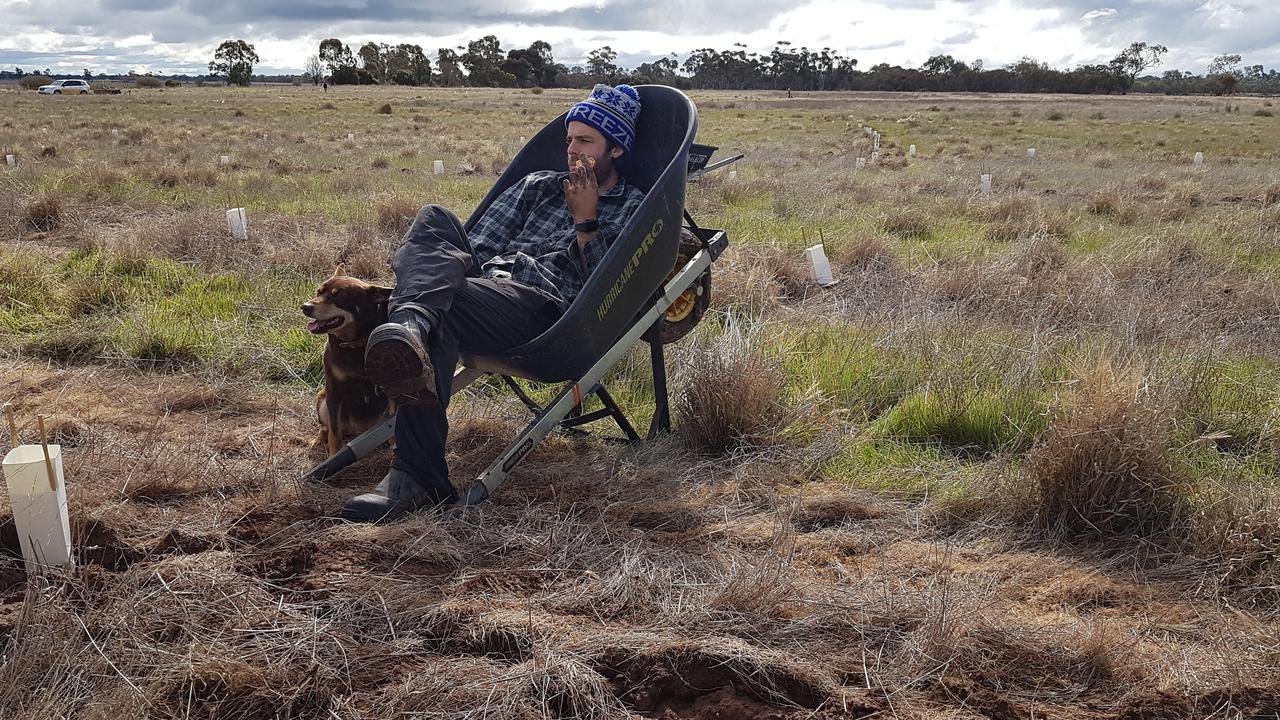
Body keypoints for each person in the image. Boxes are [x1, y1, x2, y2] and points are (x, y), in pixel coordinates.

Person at [342, 84, 646, 522]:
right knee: (434, 220)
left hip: (545, 310)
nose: (571, 150)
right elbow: (476, 250)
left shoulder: (630, 204)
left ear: (615, 149)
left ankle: (415, 472)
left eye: (585, 141)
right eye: (569, 139)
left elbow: (606, 288)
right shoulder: (537, 186)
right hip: (484, 293)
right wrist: (456, 277)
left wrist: (586, 219)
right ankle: (412, 328)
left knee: (443, 305)